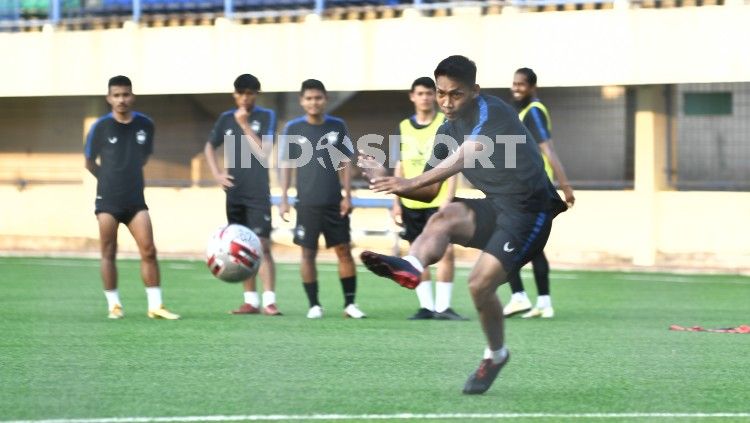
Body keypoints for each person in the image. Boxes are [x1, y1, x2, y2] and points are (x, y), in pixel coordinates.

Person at [358, 56, 568, 394]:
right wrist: (386, 176)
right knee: (444, 215)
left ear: (474, 91)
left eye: (455, 94)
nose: (445, 102)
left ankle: (495, 355)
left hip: (531, 212)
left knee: (478, 285)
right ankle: (411, 266)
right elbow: (428, 192)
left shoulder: (492, 110)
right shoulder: (447, 128)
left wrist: (406, 182)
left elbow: (468, 154)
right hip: (497, 207)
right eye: (440, 93)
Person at [84, 75, 180, 320]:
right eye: (116, 95)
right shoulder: (100, 127)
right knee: (108, 251)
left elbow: (144, 157)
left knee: (148, 250)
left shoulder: (146, 125)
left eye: (125, 94)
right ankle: (114, 305)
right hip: (107, 201)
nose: (121, 99)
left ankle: (155, 305)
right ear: (109, 98)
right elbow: (89, 162)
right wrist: (107, 179)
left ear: (132, 96)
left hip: (136, 200)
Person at [279, 79, 366, 319]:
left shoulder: (337, 126)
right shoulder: (293, 128)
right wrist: (285, 198)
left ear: (325, 99)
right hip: (306, 203)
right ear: (301, 101)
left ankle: (350, 305)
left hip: (333, 202)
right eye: (308, 98)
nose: (313, 102)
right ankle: (314, 305)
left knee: (344, 251)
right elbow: (286, 164)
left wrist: (347, 196)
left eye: (318, 98)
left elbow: (345, 162)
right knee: (307, 254)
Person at [204, 73, 281, 316]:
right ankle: (250, 301)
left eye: (250, 93)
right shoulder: (226, 118)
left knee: (263, 246)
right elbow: (209, 146)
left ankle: (269, 301)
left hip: (257, 191)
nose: (245, 98)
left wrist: (245, 125)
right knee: (240, 246)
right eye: (241, 93)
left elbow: (263, 152)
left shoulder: (266, 116)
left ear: (256, 94)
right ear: (234, 95)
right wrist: (217, 174)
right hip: (234, 192)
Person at [503, 67, 576, 319]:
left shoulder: (533, 111)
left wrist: (565, 185)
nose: (516, 88)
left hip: (529, 187)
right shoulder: (524, 111)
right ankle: (544, 302)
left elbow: (549, 149)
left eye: (521, 84)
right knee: (533, 246)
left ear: (532, 87)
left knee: (503, 237)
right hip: (526, 186)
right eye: (514, 83)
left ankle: (518, 296)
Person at [393, 76, 465, 321]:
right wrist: (396, 200)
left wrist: (449, 198)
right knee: (416, 252)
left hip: (438, 200)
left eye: (428, 93)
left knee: (446, 252)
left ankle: (443, 308)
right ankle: (427, 307)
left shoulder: (445, 123)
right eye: (420, 93)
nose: (424, 97)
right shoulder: (403, 126)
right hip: (412, 200)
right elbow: (399, 165)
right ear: (412, 96)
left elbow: (455, 163)